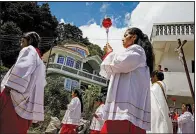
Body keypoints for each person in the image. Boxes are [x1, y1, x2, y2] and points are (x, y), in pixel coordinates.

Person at [99, 27, 154, 133]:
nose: (122, 39)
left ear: (133, 37)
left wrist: (109, 53)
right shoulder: (136, 54)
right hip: (125, 112)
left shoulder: (137, 51)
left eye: (125, 36)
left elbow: (119, 63)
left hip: (124, 111)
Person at [0, 32, 46, 134]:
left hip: (13, 96)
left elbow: (22, 68)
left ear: (29, 41)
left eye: (22, 41)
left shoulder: (29, 50)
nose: (20, 44)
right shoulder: (40, 60)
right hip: (27, 102)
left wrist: (9, 87)